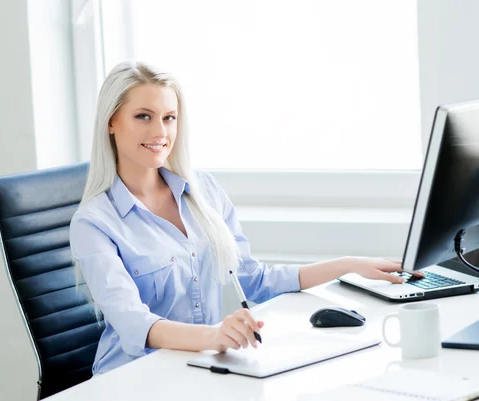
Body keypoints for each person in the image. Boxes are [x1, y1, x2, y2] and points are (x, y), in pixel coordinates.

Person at [70, 61, 419, 376]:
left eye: (169, 117)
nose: (160, 131)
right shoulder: (95, 222)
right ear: (112, 122)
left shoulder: (202, 191)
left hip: (196, 367)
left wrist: (349, 266)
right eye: (143, 116)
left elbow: (256, 279)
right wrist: (215, 335)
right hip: (130, 380)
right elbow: (134, 324)